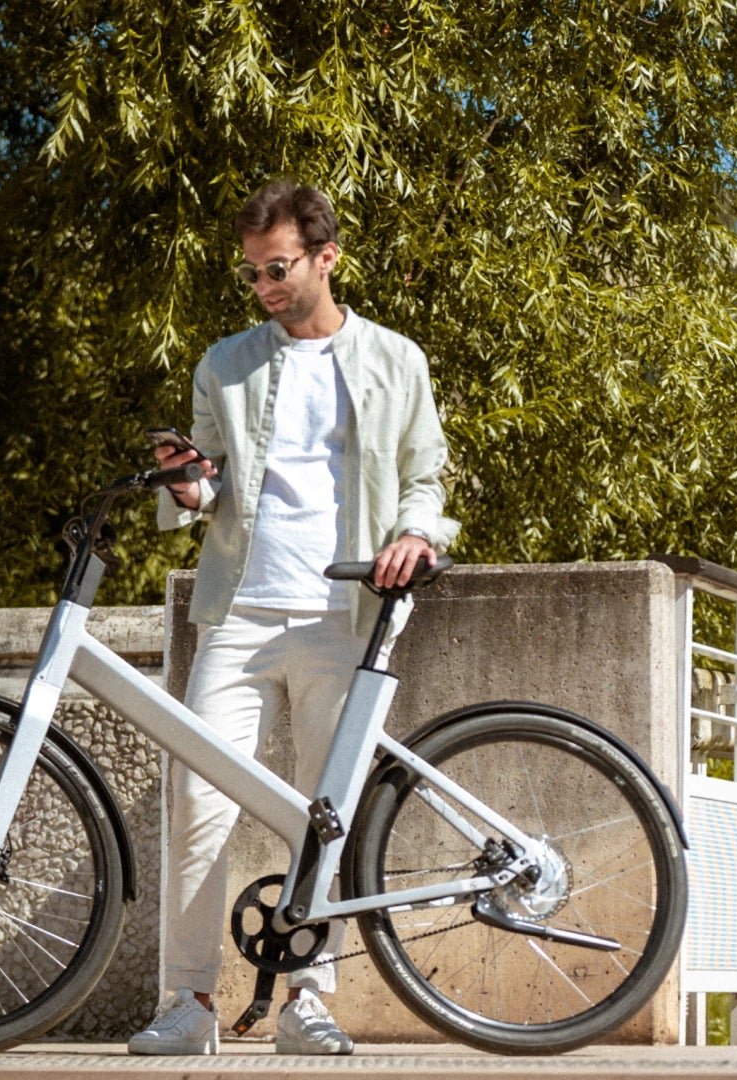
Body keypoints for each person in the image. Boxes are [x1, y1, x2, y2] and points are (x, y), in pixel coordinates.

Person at [128, 180, 459, 1056]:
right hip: (237, 613)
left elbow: (425, 476)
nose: (265, 287)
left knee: (324, 814)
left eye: (277, 269)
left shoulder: (396, 360)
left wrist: (415, 533)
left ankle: (308, 1001)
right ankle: (188, 1002)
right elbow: (207, 489)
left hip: (344, 614)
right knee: (197, 802)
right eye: (252, 273)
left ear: (326, 258)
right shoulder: (225, 363)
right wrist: (185, 483)